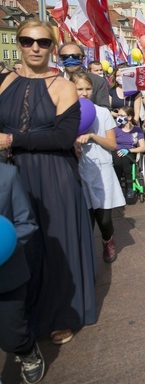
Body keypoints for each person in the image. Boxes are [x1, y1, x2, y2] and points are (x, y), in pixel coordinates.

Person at [0, 19, 97, 345]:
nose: (35, 47)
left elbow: (62, 137)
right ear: (20, 43)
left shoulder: (62, 86)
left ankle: (60, 314)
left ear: (52, 47)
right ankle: (20, 313)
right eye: (27, 41)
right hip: (12, 175)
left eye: (42, 42)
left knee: (55, 246)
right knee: (20, 247)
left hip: (53, 174)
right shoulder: (4, 82)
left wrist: (11, 140)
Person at [71, 73, 125, 263]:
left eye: (88, 89)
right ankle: (86, 254)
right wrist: (74, 146)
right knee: (85, 219)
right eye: (79, 89)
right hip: (79, 170)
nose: (84, 93)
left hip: (101, 171)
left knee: (103, 219)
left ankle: (107, 239)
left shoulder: (102, 113)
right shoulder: (65, 113)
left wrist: (93, 136)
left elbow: (112, 144)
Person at [0, 163, 45, 384]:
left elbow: (25, 223)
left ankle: (27, 351)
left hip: (6, 274)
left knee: (11, 337)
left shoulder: (7, 175)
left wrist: (5, 244)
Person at [57, 42, 110, 108]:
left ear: (83, 59)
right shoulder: (52, 82)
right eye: (65, 57)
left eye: (75, 56)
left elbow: (104, 109)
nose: (70, 59)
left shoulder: (98, 81)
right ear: (61, 60)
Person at [113, 106, 145, 204]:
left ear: (130, 117)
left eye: (122, 115)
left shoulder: (137, 130)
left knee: (126, 161)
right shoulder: (115, 130)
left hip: (130, 152)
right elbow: (111, 143)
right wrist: (118, 149)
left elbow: (143, 147)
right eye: (118, 115)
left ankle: (130, 188)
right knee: (117, 161)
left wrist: (128, 150)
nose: (119, 117)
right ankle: (117, 188)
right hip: (116, 152)